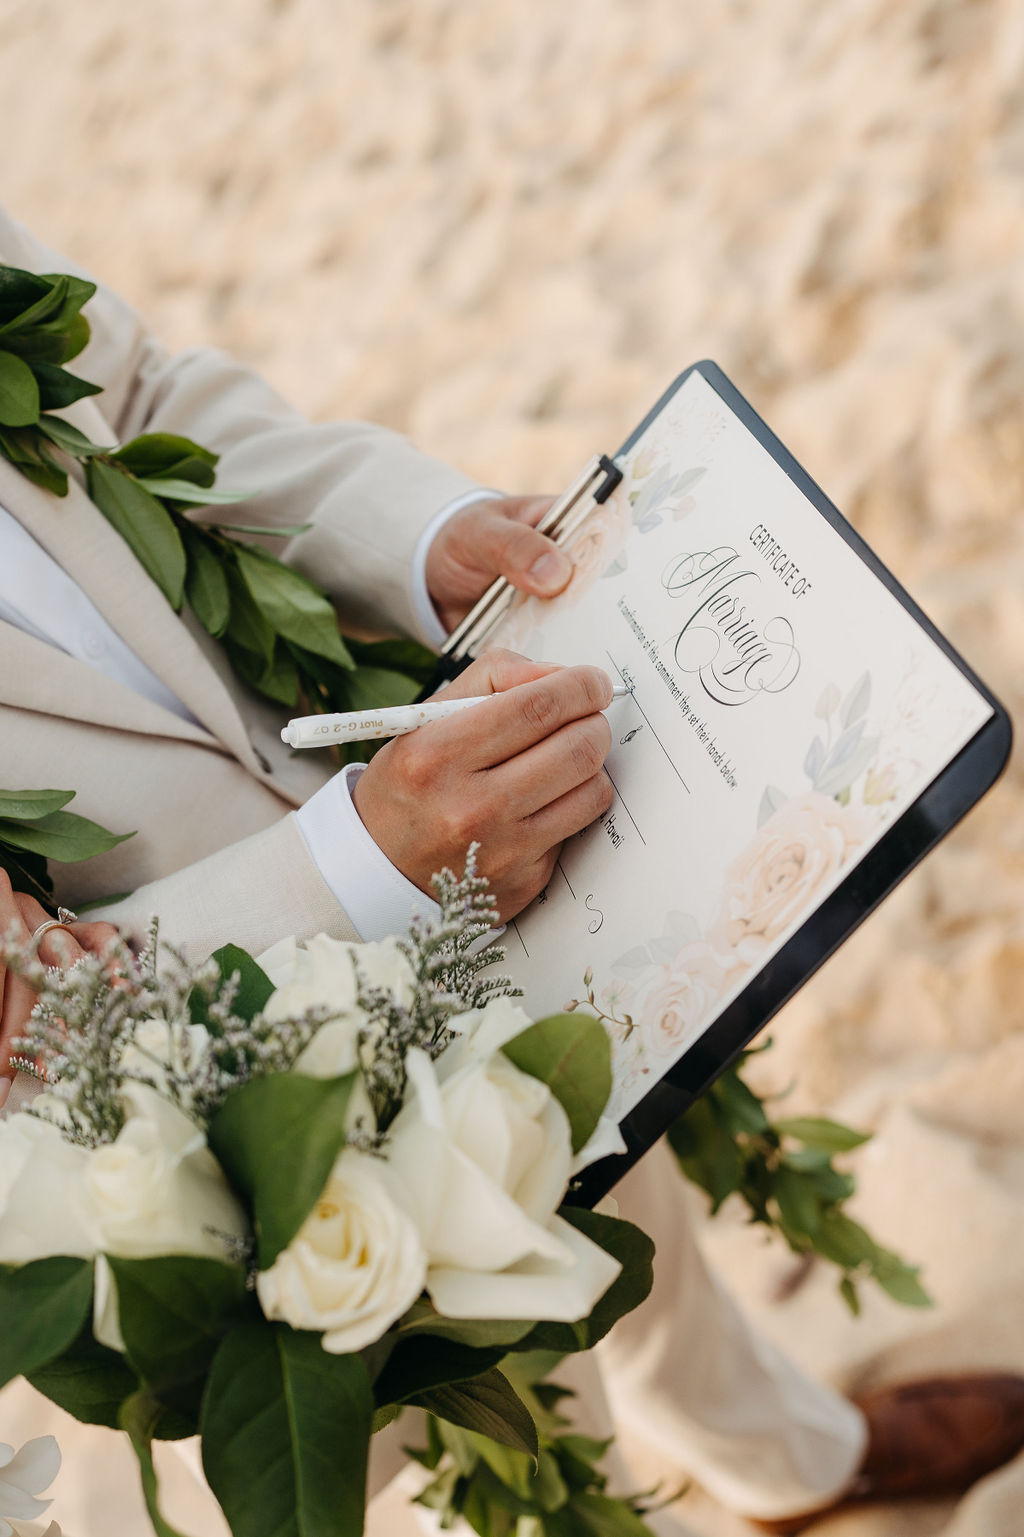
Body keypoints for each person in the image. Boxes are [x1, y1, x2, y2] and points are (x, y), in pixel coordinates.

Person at [1, 204, 1023, 1536]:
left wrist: (421, 538)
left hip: (427, 838)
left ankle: (783, 1455)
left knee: (601, 1142)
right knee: (466, 1429)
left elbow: (129, 392)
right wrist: (362, 859)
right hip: (194, 1128)